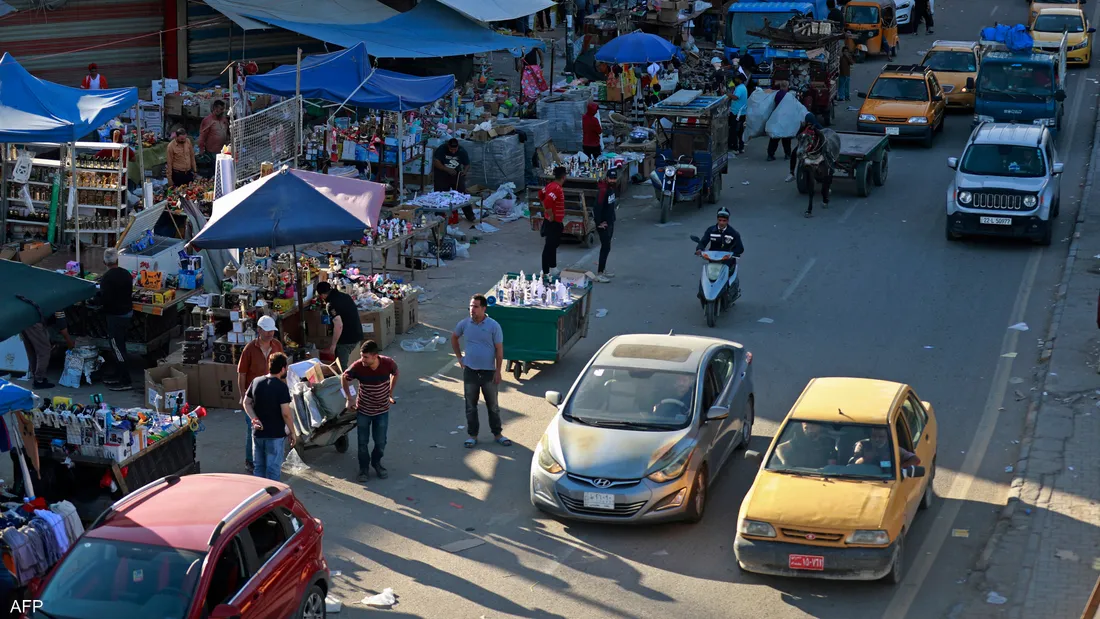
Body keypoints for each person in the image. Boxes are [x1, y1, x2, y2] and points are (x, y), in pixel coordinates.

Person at [451, 295, 509, 449]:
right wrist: (459, 357)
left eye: (476, 306)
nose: (472, 309)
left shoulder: (493, 326)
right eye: (471, 306)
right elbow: (454, 338)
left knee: (493, 406)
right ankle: (472, 436)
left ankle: (498, 434)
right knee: (470, 406)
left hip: (488, 373)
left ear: (484, 308)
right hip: (470, 372)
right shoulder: (464, 324)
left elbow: (499, 350)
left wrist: (498, 371)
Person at [341, 341, 399, 482]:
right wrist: (349, 398)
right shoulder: (358, 366)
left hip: (382, 411)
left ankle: (376, 462)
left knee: (380, 442)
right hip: (364, 411)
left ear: (375, 356)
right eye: (362, 356)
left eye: (366, 357)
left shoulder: (388, 363)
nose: (363, 360)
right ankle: (364, 469)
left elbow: (396, 373)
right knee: (362, 442)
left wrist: (390, 392)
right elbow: (344, 377)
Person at [237, 315, 283, 474]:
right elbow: (242, 374)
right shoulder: (249, 349)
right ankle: (250, 461)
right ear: (259, 330)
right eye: (267, 331)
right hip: (254, 397)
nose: (270, 334)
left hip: (273, 396)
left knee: (272, 428)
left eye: (272, 331)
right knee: (253, 429)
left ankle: (268, 460)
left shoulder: (277, 345)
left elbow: (283, 368)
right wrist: (242, 396)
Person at [243, 352, 297, 481]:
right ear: (283, 368)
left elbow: (246, 402)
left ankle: (259, 497)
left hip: (258, 434)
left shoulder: (256, 381)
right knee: (273, 470)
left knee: (259, 468)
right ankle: (273, 498)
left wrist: (254, 418)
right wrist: (293, 432)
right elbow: (286, 413)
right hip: (275, 435)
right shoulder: (282, 387)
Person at [15, 295, 74, 390]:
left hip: (23, 319)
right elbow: (63, 328)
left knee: (32, 350)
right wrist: (70, 342)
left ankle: (36, 377)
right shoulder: (59, 301)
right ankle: (39, 380)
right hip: (34, 321)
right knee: (44, 351)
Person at [98, 249, 133, 391]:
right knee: (120, 345)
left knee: (117, 348)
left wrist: (95, 300)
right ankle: (118, 374)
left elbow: (105, 298)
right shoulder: (126, 274)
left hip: (115, 316)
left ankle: (125, 381)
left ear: (104, 262)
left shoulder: (107, 278)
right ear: (117, 261)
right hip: (127, 314)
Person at [316, 281, 363, 371]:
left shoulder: (330, 305)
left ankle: (345, 384)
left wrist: (333, 345)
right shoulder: (345, 296)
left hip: (346, 339)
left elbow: (338, 325)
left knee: (341, 368)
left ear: (322, 295)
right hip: (357, 333)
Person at [432, 139, 475, 221]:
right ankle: (439, 216)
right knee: (440, 195)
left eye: (455, 150)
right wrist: (447, 169)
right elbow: (436, 162)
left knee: (462, 194)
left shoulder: (462, 151)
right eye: (451, 150)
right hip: (442, 174)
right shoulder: (441, 149)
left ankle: (470, 215)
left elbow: (467, 164)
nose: (453, 152)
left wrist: (465, 171)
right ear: (448, 146)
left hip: (456, 174)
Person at [538, 166, 567, 277]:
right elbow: (548, 200)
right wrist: (550, 214)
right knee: (549, 246)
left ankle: (553, 267)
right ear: (563, 177)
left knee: (553, 245)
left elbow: (541, 194)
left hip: (554, 221)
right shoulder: (556, 188)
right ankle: (546, 272)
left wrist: (546, 211)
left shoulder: (550, 185)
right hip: (553, 222)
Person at [774, 422, 839, 469]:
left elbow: (832, 465)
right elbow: (779, 448)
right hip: (799, 472)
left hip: (820, 475)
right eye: (806, 428)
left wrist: (828, 470)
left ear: (818, 427)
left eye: (812, 427)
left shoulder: (828, 441)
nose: (809, 430)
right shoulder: (799, 439)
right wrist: (784, 461)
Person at [853, 426, 921, 468]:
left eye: (881, 437)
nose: (877, 439)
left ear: (886, 438)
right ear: (870, 436)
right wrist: (865, 459)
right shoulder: (862, 445)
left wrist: (900, 469)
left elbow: (916, 460)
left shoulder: (894, 449)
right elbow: (855, 465)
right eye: (874, 436)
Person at [594, 167, 618, 283]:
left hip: (610, 222)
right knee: (605, 247)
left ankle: (603, 270)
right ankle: (599, 273)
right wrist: (599, 223)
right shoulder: (603, 191)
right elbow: (597, 208)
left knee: (607, 247)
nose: (613, 180)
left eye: (614, 178)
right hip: (604, 224)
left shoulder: (611, 189)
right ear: (607, 178)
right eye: (611, 178)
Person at [766, 83, 793, 162]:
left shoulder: (776, 94)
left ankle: (770, 155)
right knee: (786, 137)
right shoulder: (789, 96)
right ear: (786, 87)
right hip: (785, 118)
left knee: (774, 137)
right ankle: (787, 154)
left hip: (776, 117)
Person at [729, 74, 749, 154]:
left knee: (734, 130)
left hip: (736, 113)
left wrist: (728, 94)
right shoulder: (742, 87)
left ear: (740, 80)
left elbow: (736, 97)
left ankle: (735, 148)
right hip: (741, 112)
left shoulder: (740, 88)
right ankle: (741, 147)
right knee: (740, 130)